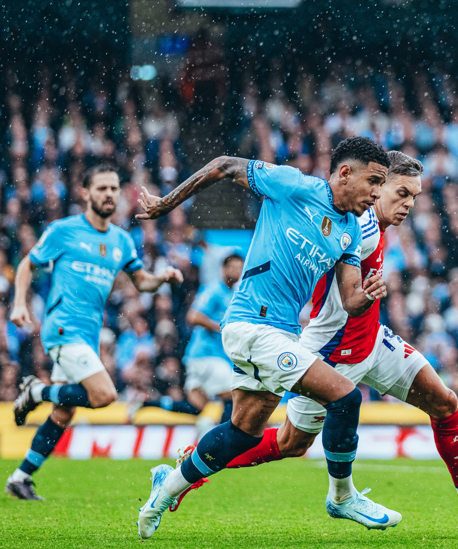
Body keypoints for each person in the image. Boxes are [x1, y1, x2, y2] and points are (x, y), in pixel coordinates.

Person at [176, 151, 458, 523]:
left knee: (444, 402)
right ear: (376, 186)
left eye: (415, 197)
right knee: (289, 443)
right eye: (401, 193)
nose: (408, 204)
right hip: (333, 351)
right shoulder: (354, 226)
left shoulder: (374, 227)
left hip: (372, 341)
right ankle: (194, 464)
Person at [134, 137, 396, 539]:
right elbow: (222, 163)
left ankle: (164, 489)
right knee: (345, 397)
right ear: (345, 172)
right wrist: (166, 204)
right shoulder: (293, 185)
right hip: (251, 326)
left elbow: (350, 300)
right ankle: (342, 497)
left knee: (242, 432)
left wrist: (369, 294)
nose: (377, 192)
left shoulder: (348, 232)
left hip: (283, 334)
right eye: (374, 180)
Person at [6, 165, 184, 501]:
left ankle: (20, 477)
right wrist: (19, 303)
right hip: (62, 326)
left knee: (64, 411)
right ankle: (35, 393)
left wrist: (161, 277)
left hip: (87, 334)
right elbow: (29, 263)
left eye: (114, 189)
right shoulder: (64, 230)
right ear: (85, 193)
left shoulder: (120, 240)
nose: (109, 195)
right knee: (103, 395)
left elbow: (141, 281)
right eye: (101, 188)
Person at [128, 254, 244, 425]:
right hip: (207, 356)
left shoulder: (234, 294)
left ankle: (146, 403)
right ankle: (222, 444)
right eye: (232, 267)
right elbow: (193, 316)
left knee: (195, 407)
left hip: (204, 357)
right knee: (233, 396)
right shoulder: (214, 290)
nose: (236, 271)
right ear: (223, 268)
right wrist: (221, 328)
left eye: (239, 268)